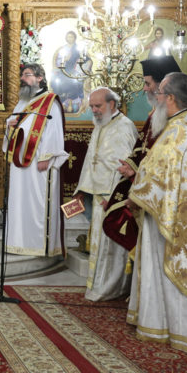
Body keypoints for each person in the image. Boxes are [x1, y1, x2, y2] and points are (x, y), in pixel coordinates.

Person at [126, 72, 187, 354]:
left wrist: (135, 194)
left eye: (161, 94)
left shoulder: (179, 130)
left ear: (172, 98)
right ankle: (177, 327)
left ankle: (166, 326)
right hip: (184, 213)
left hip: (171, 215)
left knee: (164, 268)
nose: (157, 99)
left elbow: (159, 174)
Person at [102, 55, 187, 250]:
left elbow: (168, 162)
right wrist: (133, 167)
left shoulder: (184, 121)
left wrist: (139, 185)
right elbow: (145, 146)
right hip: (158, 195)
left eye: (148, 83)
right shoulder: (163, 113)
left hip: (175, 200)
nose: (145, 89)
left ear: (166, 90)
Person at [76, 87, 138, 301]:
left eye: (98, 106)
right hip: (97, 193)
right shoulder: (100, 125)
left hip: (112, 198)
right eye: (91, 106)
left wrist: (113, 199)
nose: (93, 110)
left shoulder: (124, 127)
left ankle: (111, 287)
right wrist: (82, 190)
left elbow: (125, 167)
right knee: (99, 244)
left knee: (111, 244)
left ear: (112, 104)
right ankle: (98, 285)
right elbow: (91, 159)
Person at [3, 63, 67, 256]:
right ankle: (18, 241)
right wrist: (9, 126)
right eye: (22, 75)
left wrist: (47, 156)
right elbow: (13, 126)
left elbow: (54, 130)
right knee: (19, 201)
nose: (23, 78)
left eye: (28, 75)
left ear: (40, 78)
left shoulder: (50, 101)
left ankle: (37, 244)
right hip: (20, 162)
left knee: (38, 202)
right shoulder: (21, 102)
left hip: (39, 161)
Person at [51, 30, 87, 113]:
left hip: (75, 70)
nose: (69, 38)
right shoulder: (63, 49)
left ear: (75, 38)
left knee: (74, 81)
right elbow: (58, 62)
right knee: (57, 81)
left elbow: (83, 59)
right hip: (63, 70)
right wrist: (65, 59)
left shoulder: (77, 49)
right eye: (68, 37)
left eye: (71, 37)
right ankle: (62, 102)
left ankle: (72, 103)